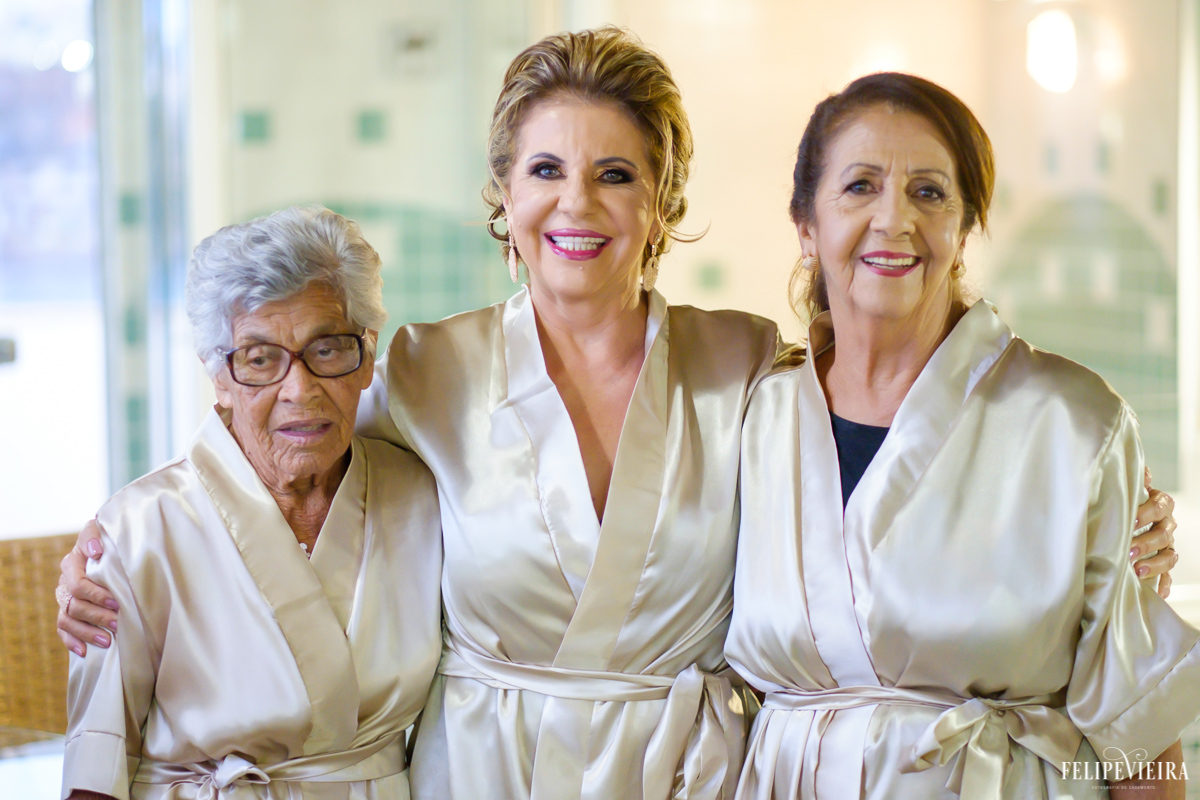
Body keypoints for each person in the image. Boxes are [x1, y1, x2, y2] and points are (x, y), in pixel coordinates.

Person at [57, 30, 1181, 800]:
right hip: (485, 774)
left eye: (616, 174)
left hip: (686, 773)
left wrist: (1106, 526)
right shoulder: (428, 370)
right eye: (546, 169)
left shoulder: (744, 364)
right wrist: (124, 553)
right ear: (505, 196)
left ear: (662, 201)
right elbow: (290, 466)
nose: (577, 203)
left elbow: (892, 456)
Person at [725, 73, 1198, 799]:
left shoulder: (1071, 423)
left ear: (965, 227)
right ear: (806, 225)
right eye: (860, 186)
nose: (894, 219)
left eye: (929, 192)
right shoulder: (755, 421)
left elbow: (1138, 738)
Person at [59, 206, 443, 800]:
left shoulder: (424, 500)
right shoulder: (138, 530)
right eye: (260, 359)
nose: (300, 389)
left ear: (367, 356)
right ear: (218, 375)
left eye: (328, 350)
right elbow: (95, 766)